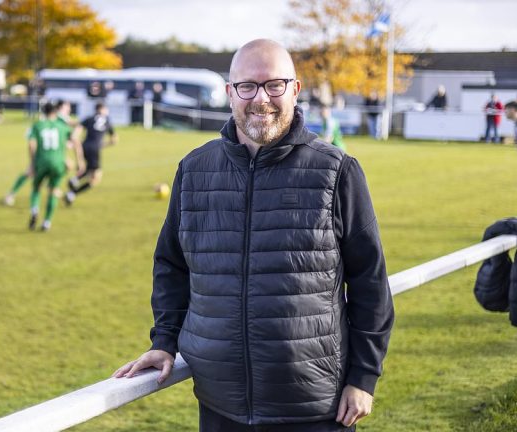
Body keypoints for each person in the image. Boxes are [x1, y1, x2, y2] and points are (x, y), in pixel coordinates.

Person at [113, 39, 394, 431]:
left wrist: (363, 378)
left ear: (295, 90)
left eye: (274, 85)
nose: (261, 99)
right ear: (230, 93)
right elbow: (171, 265)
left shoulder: (337, 171)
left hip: (315, 408)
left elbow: (370, 282)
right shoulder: (194, 171)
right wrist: (164, 342)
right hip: (219, 405)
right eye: (247, 86)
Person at [5, 100, 78, 206]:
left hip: (55, 151)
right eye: (67, 107)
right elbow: (73, 126)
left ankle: (52, 187)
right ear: (60, 108)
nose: (69, 109)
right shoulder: (58, 118)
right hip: (44, 151)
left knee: (68, 165)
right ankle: (11, 194)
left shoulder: (58, 118)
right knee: (30, 172)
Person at [26, 101, 76, 232]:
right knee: (53, 191)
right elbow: (73, 141)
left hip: (41, 161)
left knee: (36, 188)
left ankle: (35, 210)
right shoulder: (62, 126)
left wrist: (31, 163)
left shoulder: (37, 125)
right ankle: (47, 222)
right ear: (55, 112)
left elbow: (31, 145)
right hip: (58, 163)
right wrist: (71, 159)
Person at [64, 102, 117, 206]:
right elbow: (114, 140)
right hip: (95, 148)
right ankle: (72, 191)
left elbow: (77, 129)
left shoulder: (89, 118)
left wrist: (72, 140)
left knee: (89, 170)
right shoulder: (107, 120)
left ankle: (74, 183)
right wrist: (102, 144)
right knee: (96, 178)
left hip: (84, 146)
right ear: (103, 109)